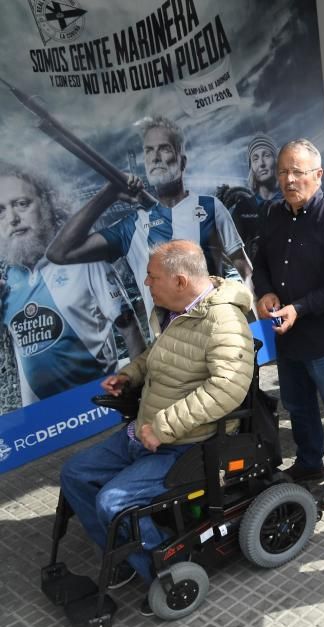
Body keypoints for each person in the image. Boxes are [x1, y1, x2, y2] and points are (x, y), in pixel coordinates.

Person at [59, 239, 254, 613]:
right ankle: (121, 556)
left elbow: (227, 389)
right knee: (75, 473)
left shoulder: (223, 321)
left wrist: (163, 427)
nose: (146, 284)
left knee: (113, 501)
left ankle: (165, 574)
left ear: (180, 281)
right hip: (146, 432)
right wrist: (130, 375)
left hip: (187, 444)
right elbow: (159, 355)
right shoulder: (177, 311)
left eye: (152, 277)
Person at [46, 116, 252, 323]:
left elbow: (246, 272)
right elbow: (59, 253)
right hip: (169, 349)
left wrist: (258, 334)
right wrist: (108, 194)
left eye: (164, 149)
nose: (155, 157)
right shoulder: (131, 227)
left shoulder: (210, 207)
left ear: (182, 161)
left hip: (218, 337)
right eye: (149, 151)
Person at [254, 139, 324, 509]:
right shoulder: (273, 214)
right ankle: (309, 462)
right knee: (297, 405)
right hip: (286, 336)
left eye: (297, 172)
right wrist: (265, 292)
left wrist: (299, 308)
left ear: (318, 175)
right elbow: (261, 264)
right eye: (283, 171)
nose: (288, 179)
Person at [0, 164, 145, 409]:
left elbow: (129, 328)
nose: (12, 219)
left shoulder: (84, 259)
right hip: (41, 421)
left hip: (98, 406)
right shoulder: (6, 281)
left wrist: (141, 392)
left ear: (46, 205)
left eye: (22, 204)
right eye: (0, 211)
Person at [230, 134, 283, 263]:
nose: (262, 163)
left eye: (266, 155)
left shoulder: (291, 203)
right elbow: (235, 254)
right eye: (255, 158)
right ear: (251, 168)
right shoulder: (242, 208)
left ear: (276, 161)